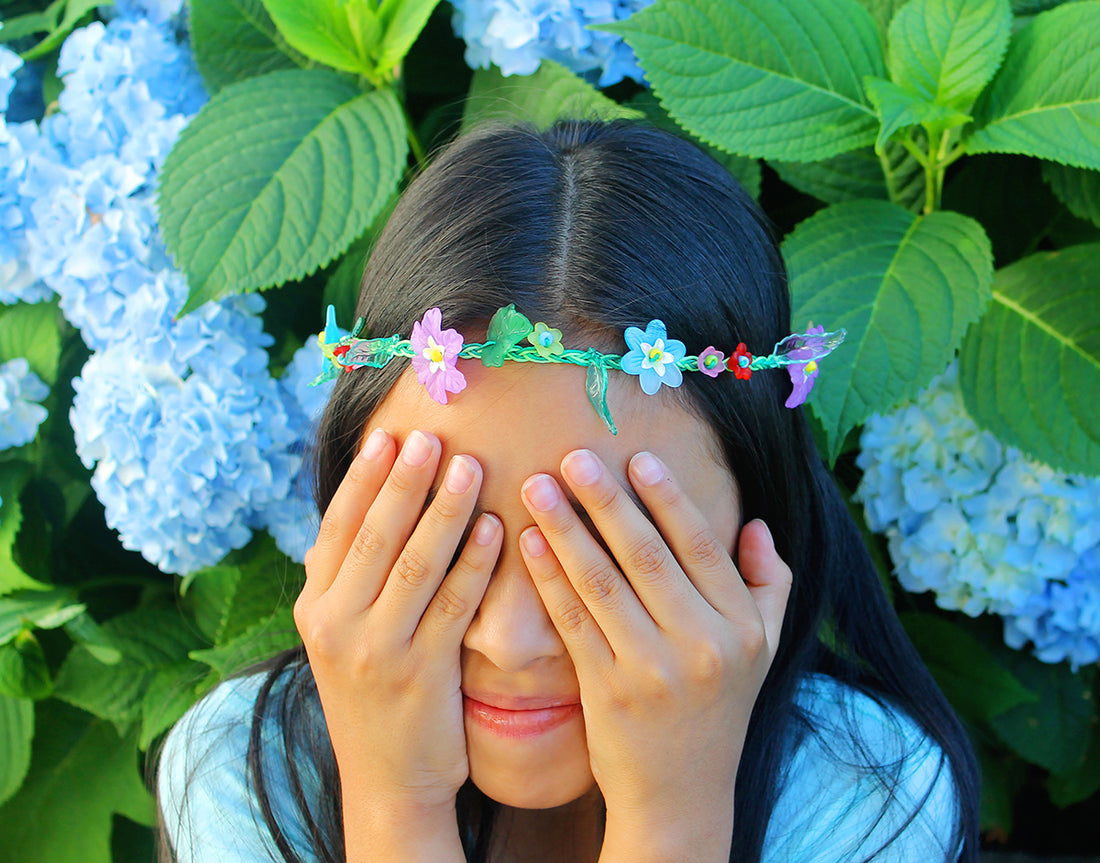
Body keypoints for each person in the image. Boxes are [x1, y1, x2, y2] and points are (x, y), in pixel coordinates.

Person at [157, 120, 980, 863]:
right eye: (445, 539)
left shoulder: (868, 792)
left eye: (613, 550)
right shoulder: (244, 770)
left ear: (756, 528)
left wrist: (673, 818)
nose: (513, 643)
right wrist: (392, 806)